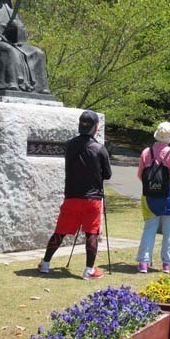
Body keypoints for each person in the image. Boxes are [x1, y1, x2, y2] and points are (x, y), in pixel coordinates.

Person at [38, 111, 111, 280]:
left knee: (60, 231)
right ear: (95, 127)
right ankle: (89, 270)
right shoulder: (100, 149)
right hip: (93, 198)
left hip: (71, 196)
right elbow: (107, 174)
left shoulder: (69, 145)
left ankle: (45, 263)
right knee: (91, 232)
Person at [136, 121, 170, 273]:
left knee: (149, 229)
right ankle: (167, 264)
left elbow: (140, 175)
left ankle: (143, 263)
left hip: (150, 198)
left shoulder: (146, 152)